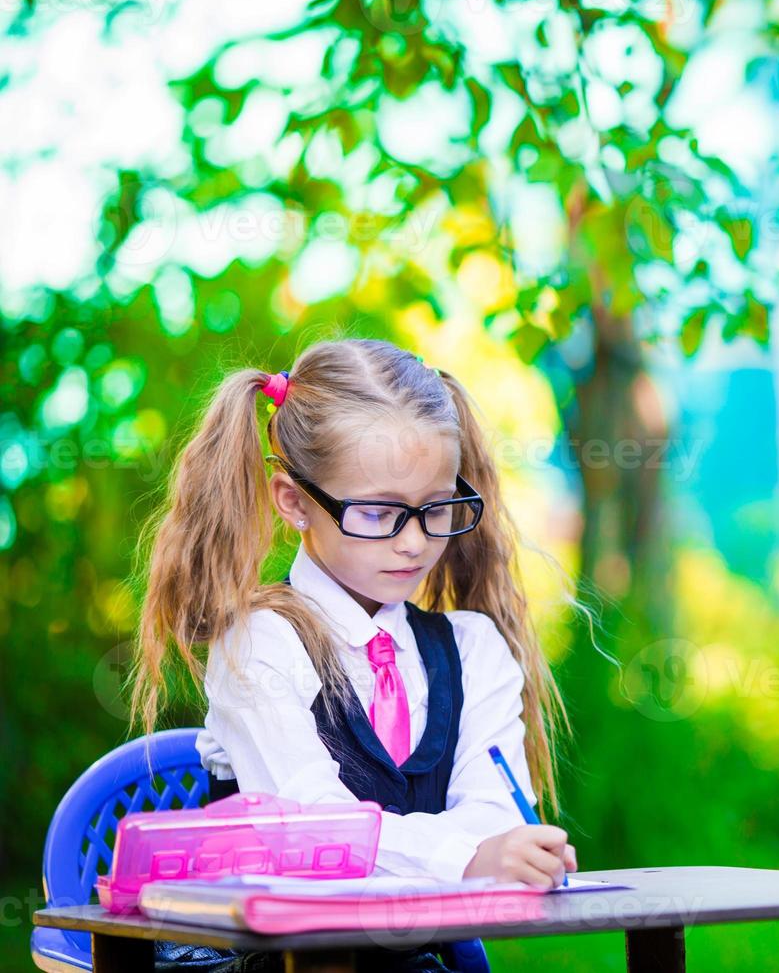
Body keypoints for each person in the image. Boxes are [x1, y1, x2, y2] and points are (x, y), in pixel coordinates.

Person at [129, 338, 575, 971]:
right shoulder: (259, 643)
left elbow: (496, 814)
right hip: (269, 960)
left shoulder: (473, 651)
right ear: (295, 502)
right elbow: (318, 838)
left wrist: (496, 849)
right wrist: (466, 859)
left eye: (436, 507)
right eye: (378, 512)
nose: (416, 542)